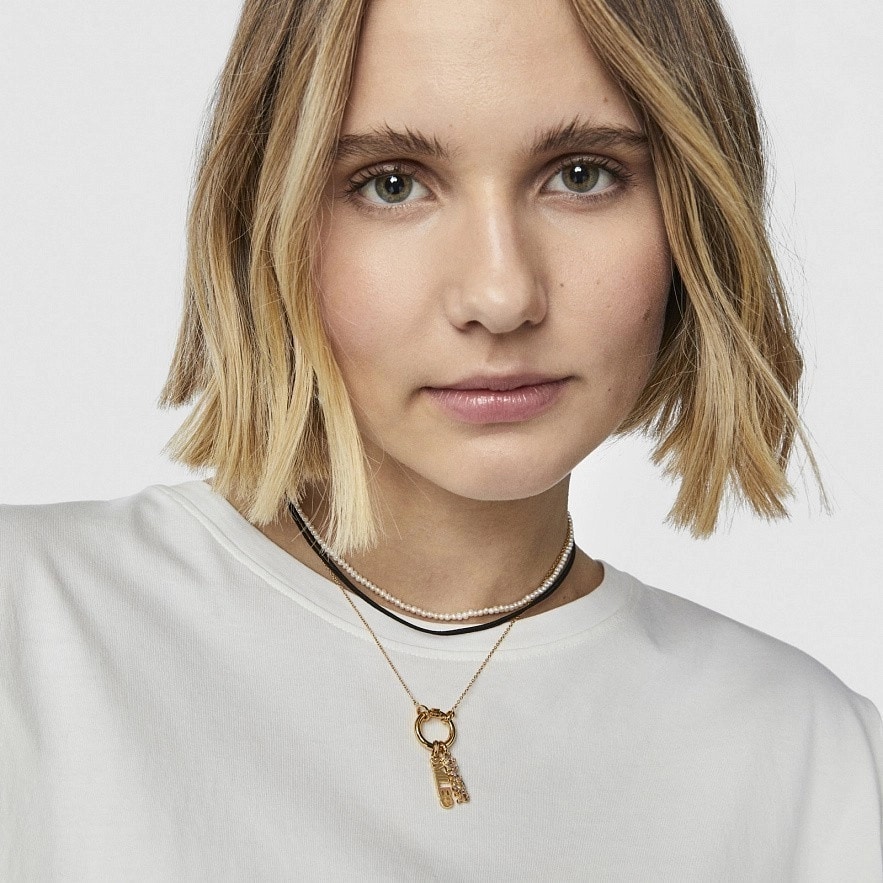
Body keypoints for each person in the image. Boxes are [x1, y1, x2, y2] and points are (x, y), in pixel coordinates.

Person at [1, 0, 881, 878]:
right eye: (391, 183)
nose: (501, 295)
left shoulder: (813, 759)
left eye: (581, 175)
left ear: (696, 212)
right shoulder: (33, 624)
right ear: (262, 215)